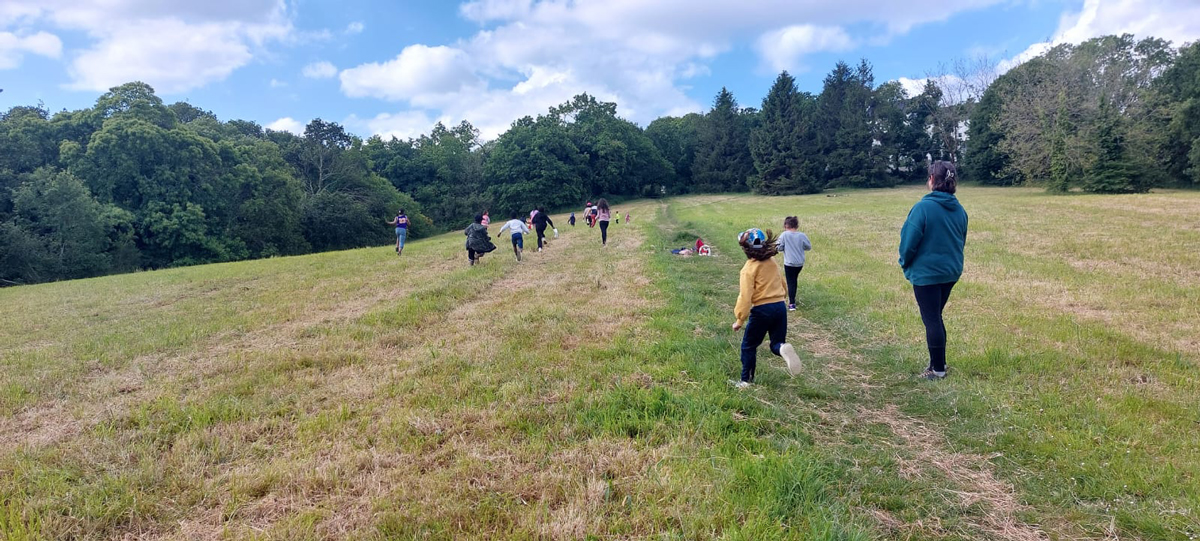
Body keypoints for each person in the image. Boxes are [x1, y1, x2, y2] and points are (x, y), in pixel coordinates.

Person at [899, 160, 968, 380]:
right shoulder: (960, 210)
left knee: (932, 319)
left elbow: (908, 242)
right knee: (935, 317)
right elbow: (961, 240)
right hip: (950, 273)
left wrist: (904, 261)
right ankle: (939, 363)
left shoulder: (922, 208)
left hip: (927, 274)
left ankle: (937, 370)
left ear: (931, 179)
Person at [732, 228, 802, 387]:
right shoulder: (772, 262)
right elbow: (782, 283)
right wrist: (781, 297)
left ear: (746, 249)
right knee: (776, 343)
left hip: (762, 310)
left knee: (748, 346)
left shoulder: (748, 269)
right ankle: (782, 348)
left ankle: (745, 381)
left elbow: (745, 297)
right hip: (779, 307)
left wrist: (739, 319)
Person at [777, 216, 812, 311]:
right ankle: (792, 299)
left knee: (790, 282)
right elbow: (808, 247)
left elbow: (778, 247)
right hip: (799, 263)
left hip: (789, 263)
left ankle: (792, 303)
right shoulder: (802, 235)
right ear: (796, 226)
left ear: (786, 225)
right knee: (794, 280)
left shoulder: (784, 235)